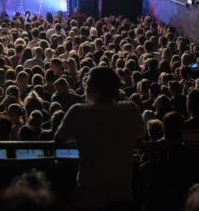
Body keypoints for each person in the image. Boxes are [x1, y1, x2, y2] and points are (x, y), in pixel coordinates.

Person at [55, 66, 144, 210]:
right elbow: (139, 140)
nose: (85, 87)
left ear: (94, 87)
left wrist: (84, 149)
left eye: (87, 83)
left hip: (88, 197)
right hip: (122, 197)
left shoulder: (78, 111)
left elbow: (60, 140)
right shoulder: (131, 109)